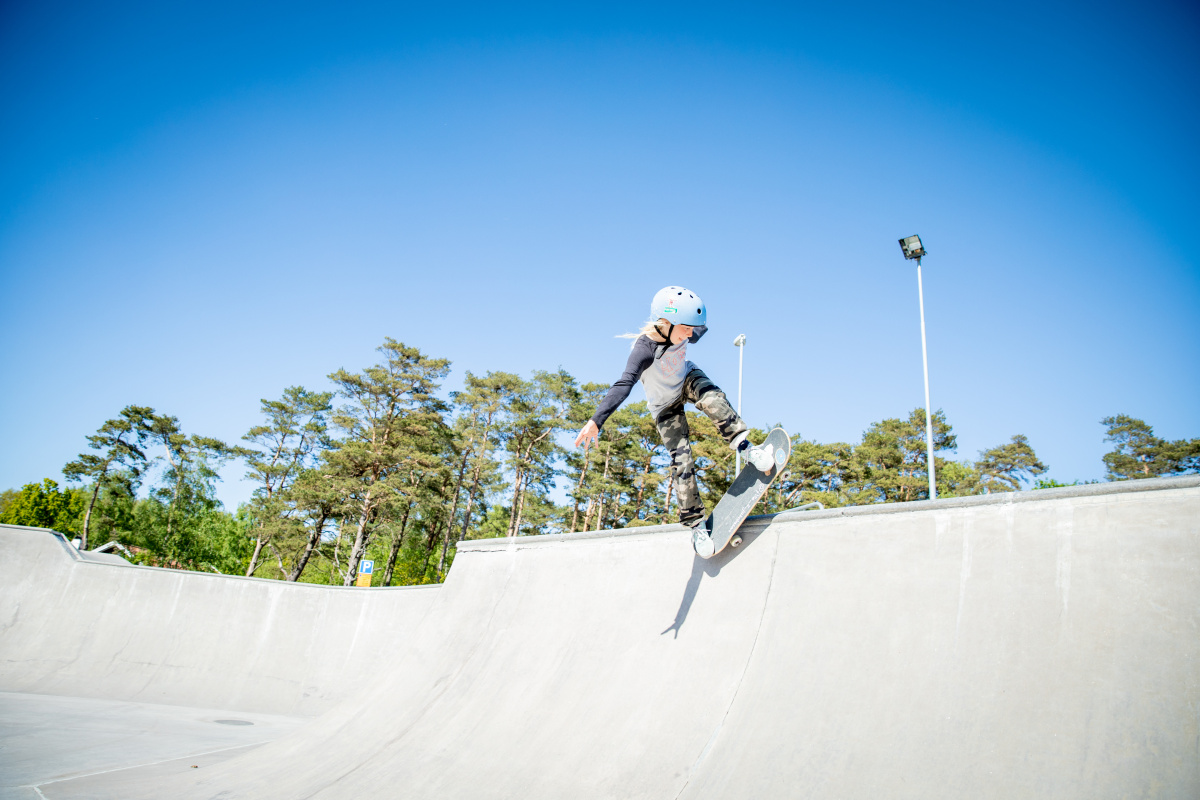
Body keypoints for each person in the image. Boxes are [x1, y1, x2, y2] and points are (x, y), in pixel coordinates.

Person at [573, 286, 775, 545]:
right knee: (682, 461)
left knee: (713, 398)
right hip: (664, 407)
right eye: (686, 329)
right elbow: (624, 383)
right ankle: (697, 526)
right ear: (665, 322)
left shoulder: (685, 329)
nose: (690, 335)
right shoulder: (644, 350)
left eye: (693, 329)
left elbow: (696, 323)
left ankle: (745, 448)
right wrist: (595, 421)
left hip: (686, 379)